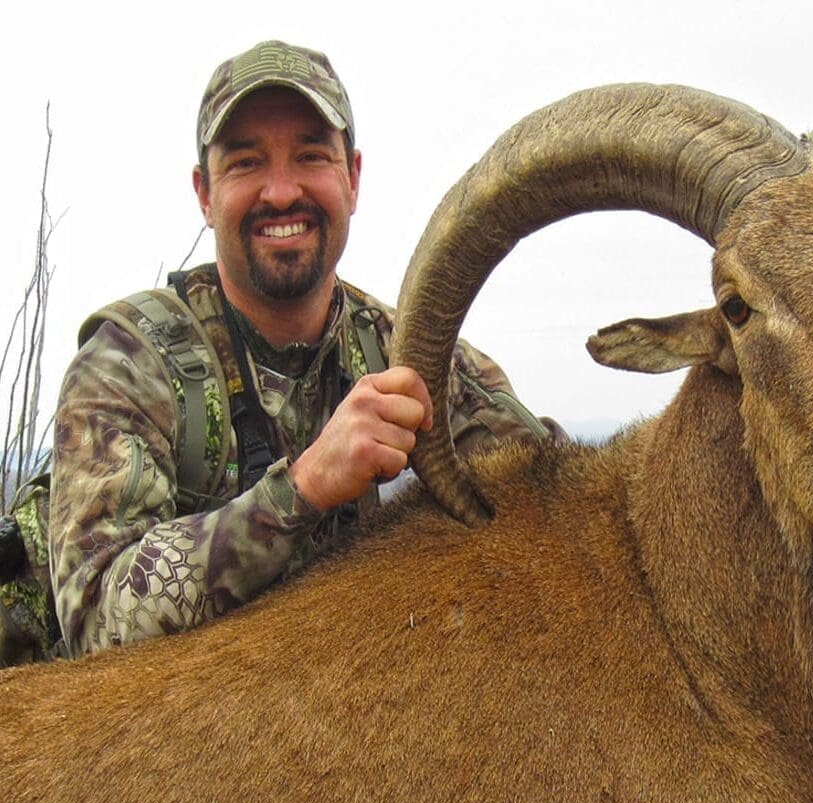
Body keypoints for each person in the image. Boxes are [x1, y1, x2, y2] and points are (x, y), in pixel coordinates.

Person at [47, 40, 564, 659]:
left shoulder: (417, 354)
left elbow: (555, 500)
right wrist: (304, 487)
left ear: (353, 178)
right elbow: (96, 625)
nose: (281, 191)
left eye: (311, 156)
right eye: (246, 163)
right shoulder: (128, 363)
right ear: (205, 194)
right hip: (182, 715)